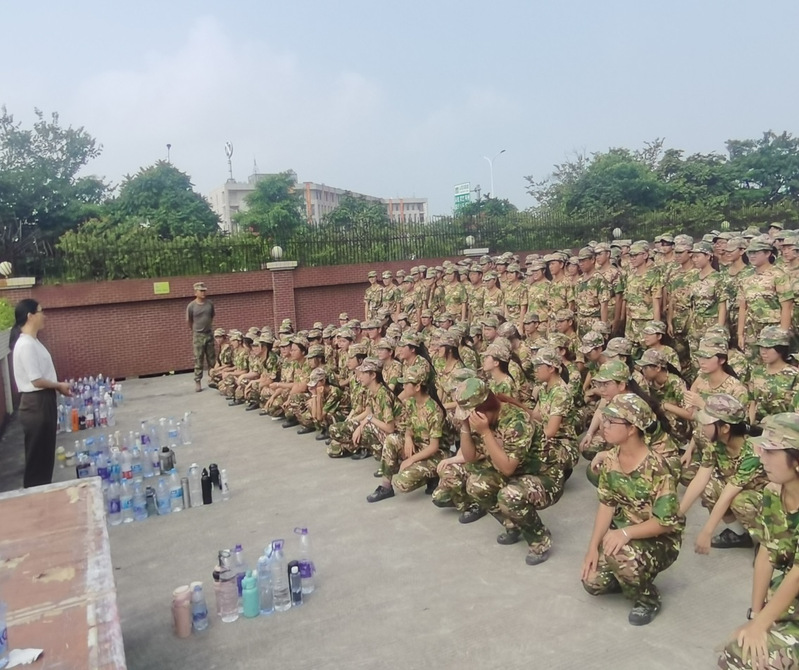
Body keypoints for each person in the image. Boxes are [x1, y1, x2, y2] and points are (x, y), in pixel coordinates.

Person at [581, 393, 684, 626]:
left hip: (660, 539)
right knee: (593, 582)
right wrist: (592, 548)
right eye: (605, 419)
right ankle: (629, 576)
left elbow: (665, 523)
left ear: (632, 429)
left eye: (612, 421)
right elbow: (606, 505)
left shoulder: (658, 467)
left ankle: (648, 599)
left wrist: (625, 533)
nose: (604, 426)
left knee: (620, 555)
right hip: (627, 529)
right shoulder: (612, 458)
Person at [718, 412, 799, 669]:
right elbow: (766, 552)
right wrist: (756, 616)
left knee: (744, 657)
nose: (762, 458)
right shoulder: (774, 493)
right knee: (735, 651)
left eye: (771, 452)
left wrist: (761, 624)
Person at [679, 393, 767, 553]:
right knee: (709, 487)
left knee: (740, 502)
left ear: (725, 428)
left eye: (706, 423)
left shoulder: (752, 452)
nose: (702, 427)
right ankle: (739, 535)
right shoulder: (716, 443)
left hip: (766, 500)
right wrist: (675, 517)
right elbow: (700, 480)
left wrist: (707, 531)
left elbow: (728, 494)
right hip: (740, 487)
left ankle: (768, 543)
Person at [11, 299, 72, 488]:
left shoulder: (33, 342)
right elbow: (36, 379)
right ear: (30, 316)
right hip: (35, 403)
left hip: (42, 401)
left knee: (44, 457)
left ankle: (42, 490)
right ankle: (35, 495)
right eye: (41, 312)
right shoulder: (26, 344)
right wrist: (58, 385)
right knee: (38, 459)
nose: (44, 316)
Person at [368, 367, 446, 502]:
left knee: (402, 483)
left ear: (417, 387)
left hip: (435, 455)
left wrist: (411, 460)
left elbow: (434, 447)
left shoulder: (434, 410)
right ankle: (386, 487)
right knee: (391, 439)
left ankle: (433, 476)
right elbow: (409, 426)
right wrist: (408, 437)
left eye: (406, 384)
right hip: (417, 446)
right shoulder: (411, 402)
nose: (403, 387)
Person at [186, 281, 216, 392]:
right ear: (195, 292)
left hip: (208, 333)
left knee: (211, 358)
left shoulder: (209, 304)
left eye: (204, 291)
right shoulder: (191, 306)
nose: (203, 293)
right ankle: (198, 381)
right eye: (201, 291)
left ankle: (213, 378)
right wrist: (195, 330)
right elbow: (189, 321)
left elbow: (211, 316)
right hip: (198, 335)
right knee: (198, 359)